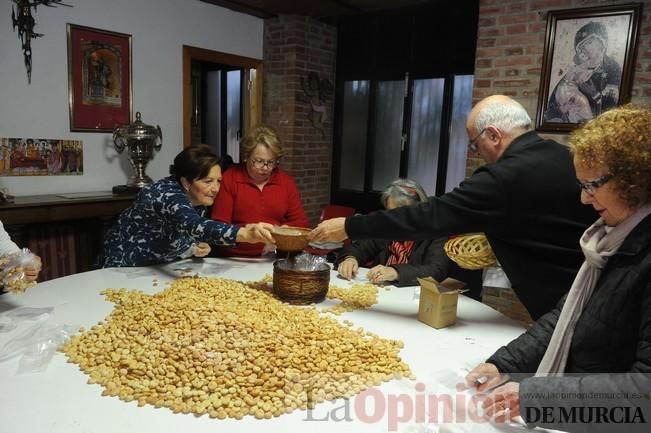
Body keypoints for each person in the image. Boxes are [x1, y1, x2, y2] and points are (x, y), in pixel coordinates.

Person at [309, 95, 597, 320]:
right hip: (596, 289)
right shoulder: (564, 157)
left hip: (571, 304)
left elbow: (430, 215)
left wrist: (349, 225)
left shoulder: (502, 177)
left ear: (494, 135)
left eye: (475, 144)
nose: (477, 153)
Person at [465, 105, 651, 433]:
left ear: (633, 178)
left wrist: (538, 398)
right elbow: (564, 318)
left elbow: (645, 392)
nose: (583, 198)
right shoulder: (609, 240)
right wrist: (505, 363)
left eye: (591, 184)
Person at [101, 145, 275, 267]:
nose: (215, 189)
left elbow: (181, 231)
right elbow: (192, 224)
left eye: (218, 181)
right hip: (122, 268)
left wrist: (191, 248)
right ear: (185, 182)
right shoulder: (164, 194)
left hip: (157, 268)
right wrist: (245, 233)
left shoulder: (197, 196)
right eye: (208, 181)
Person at [211, 125, 309, 257]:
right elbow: (219, 226)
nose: (265, 168)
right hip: (234, 257)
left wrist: (279, 232)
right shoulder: (230, 178)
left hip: (274, 255)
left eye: (271, 162)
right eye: (258, 161)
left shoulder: (285, 181)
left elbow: (301, 223)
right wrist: (247, 233)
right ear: (246, 156)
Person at [335, 178, 451, 287]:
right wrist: (350, 258)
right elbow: (360, 247)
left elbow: (437, 270)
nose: (396, 220)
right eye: (392, 213)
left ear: (419, 210)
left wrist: (396, 271)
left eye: (402, 214)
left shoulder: (436, 231)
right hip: (383, 291)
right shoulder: (387, 226)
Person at [544, 21, 621, 123]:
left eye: (589, 42)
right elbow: (552, 107)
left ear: (602, 44)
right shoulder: (577, 70)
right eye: (581, 46)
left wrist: (593, 94)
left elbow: (610, 109)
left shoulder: (612, 69)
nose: (584, 48)